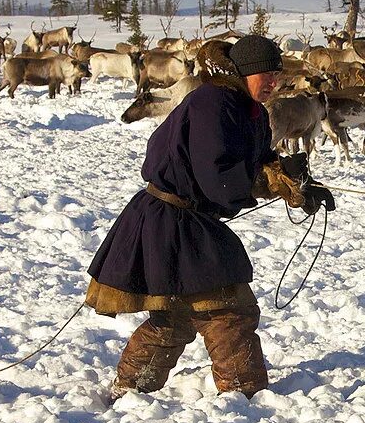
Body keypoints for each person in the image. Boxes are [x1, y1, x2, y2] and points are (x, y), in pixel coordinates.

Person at [86, 35, 332, 403]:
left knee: (177, 313)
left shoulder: (248, 109)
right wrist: (275, 182)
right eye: (267, 75)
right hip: (171, 218)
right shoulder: (212, 103)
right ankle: (244, 395)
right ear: (245, 72)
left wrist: (297, 186)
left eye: (277, 75)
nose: (274, 83)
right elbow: (218, 179)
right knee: (228, 309)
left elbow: (257, 163)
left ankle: (131, 386)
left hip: (188, 220)